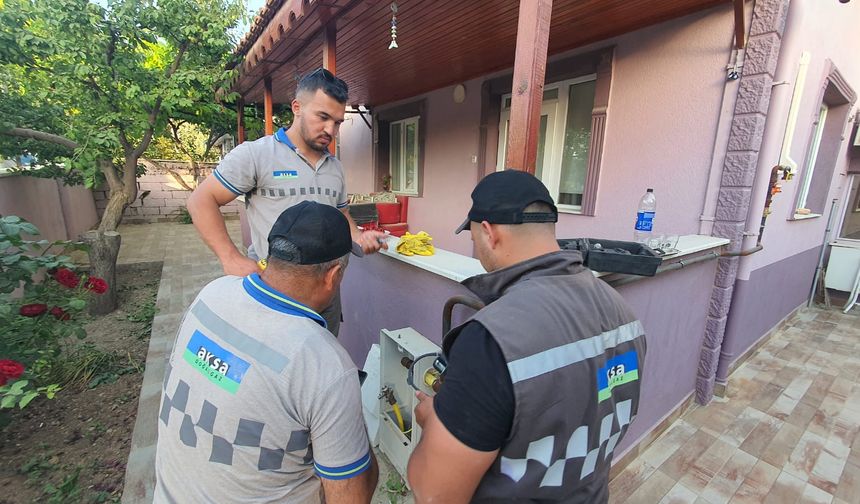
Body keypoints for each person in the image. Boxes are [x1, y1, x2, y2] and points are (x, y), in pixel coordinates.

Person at [407, 170, 647, 503]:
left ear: (489, 233)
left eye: (473, 236)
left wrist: (432, 422)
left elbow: (433, 493)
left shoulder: (490, 341)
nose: (476, 246)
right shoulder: (624, 313)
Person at [155, 201, 378, 503]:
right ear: (333, 275)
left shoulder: (212, 294)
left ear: (272, 256)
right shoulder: (324, 365)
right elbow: (352, 497)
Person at [187, 67, 386, 335]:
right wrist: (230, 258)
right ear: (297, 107)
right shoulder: (257, 155)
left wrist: (358, 236)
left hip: (326, 294)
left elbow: (341, 213)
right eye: (323, 117)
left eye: (338, 122)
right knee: (275, 365)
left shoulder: (334, 167)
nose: (331, 129)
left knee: (320, 361)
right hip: (276, 291)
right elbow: (201, 200)